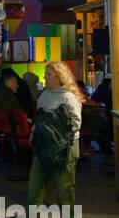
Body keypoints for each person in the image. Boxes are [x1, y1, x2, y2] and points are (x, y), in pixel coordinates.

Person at [29, 61, 81, 207]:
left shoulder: (68, 97)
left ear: (59, 77)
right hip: (44, 143)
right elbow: (39, 118)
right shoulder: (45, 94)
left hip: (64, 147)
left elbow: (76, 123)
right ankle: (32, 216)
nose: (45, 77)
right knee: (37, 181)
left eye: (49, 75)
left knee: (65, 185)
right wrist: (34, 133)